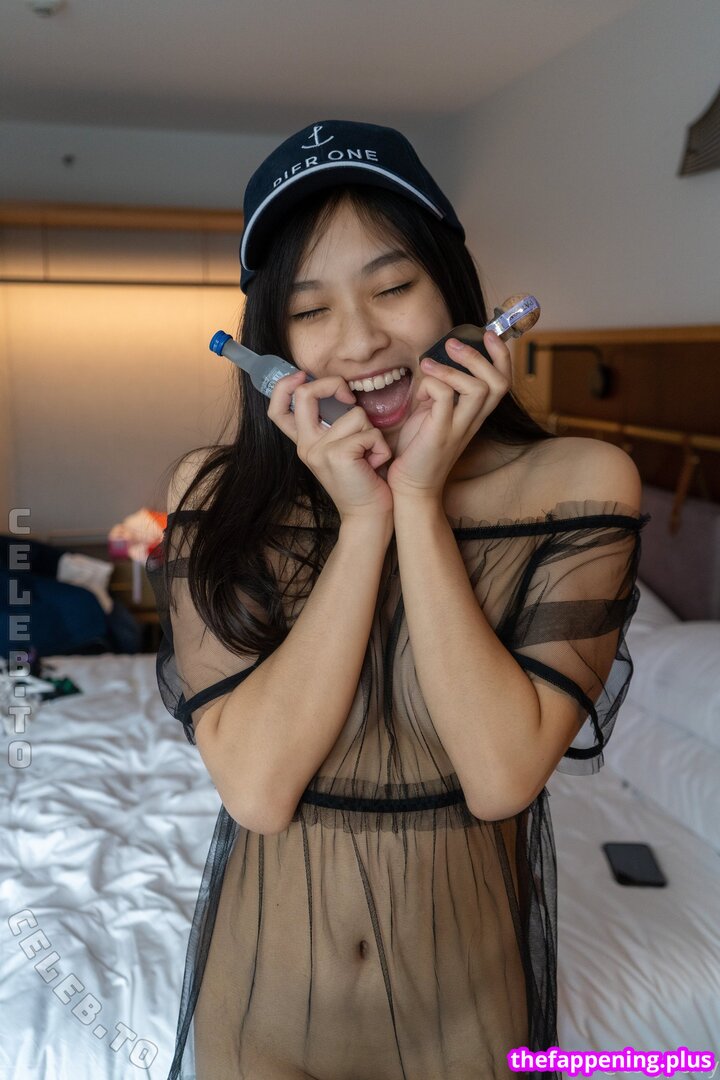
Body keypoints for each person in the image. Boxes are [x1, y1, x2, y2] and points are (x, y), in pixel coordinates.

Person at [147, 119, 651, 1080]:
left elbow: (501, 776)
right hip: (258, 1011)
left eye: (391, 288)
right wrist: (362, 520)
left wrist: (418, 498)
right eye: (311, 309)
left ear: (453, 294)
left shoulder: (580, 481)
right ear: (273, 343)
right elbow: (255, 789)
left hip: (467, 1022)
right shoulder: (214, 492)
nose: (360, 340)